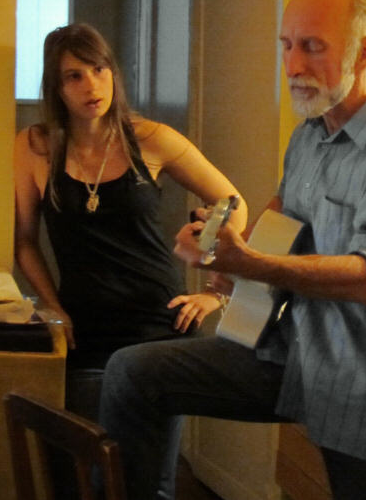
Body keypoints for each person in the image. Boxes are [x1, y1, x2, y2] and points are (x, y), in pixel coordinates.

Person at [99, 0, 366, 500]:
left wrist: (250, 262)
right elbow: (277, 227)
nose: (293, 65)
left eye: (312, 46)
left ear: (365, 52)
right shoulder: (308, 135)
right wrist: (219, 250)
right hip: (293, 357)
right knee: (134, 372)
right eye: (286, 45)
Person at [14, 22, 248, 422]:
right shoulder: (35, 146)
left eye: (99, 69)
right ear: (56, 87)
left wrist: (214, 291)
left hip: (160, 326)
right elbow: (24, 242)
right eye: (74, 76)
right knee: (89, 450)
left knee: (151, 458)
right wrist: (52, 307)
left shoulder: (150, 138)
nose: (92, 85)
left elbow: (232, 203)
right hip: (85, 331)